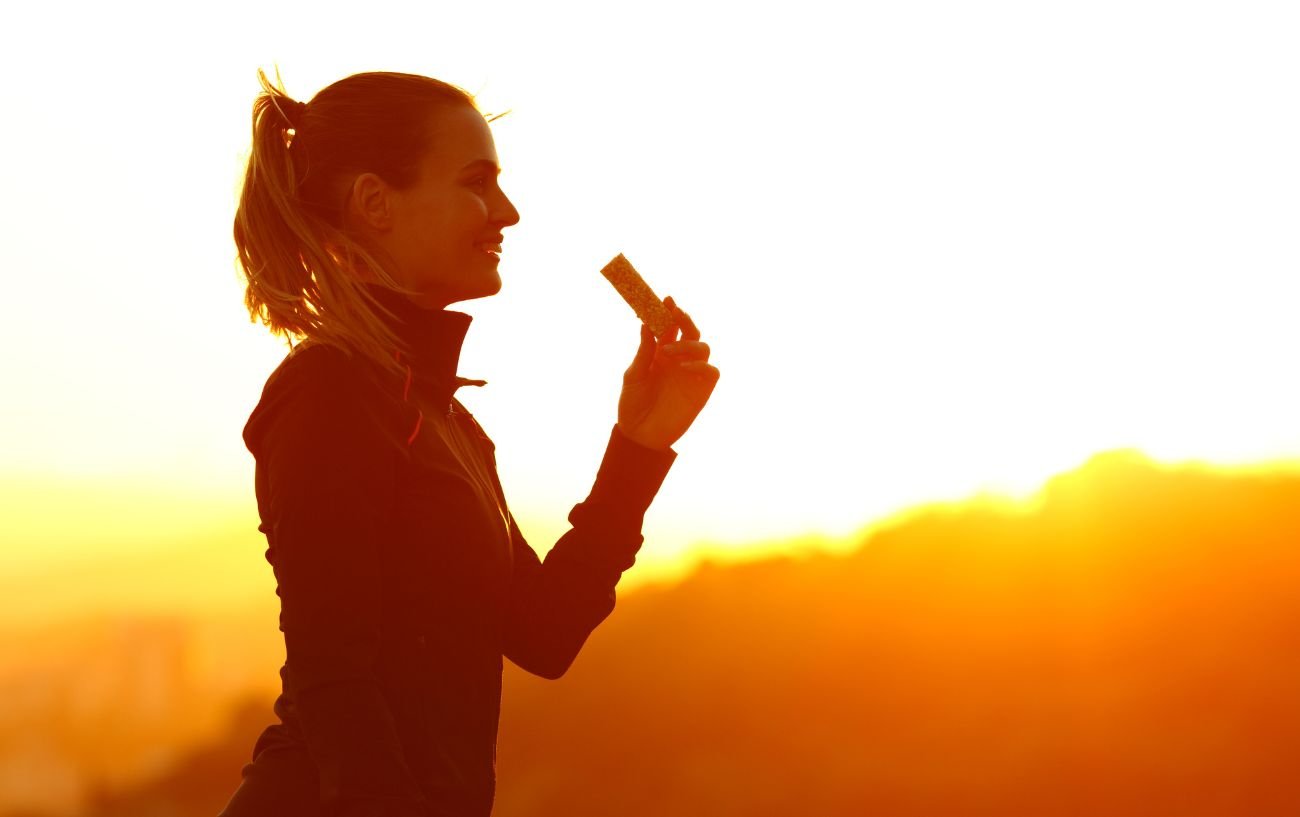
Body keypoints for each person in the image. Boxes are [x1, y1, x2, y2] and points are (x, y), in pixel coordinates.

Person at [217, 70, 719, 817]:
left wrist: (639, 444)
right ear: (374, 203)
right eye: (477, 184)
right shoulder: (328, 393)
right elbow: (335, 687)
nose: (507, 212)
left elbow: (545, 633)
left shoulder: (443, 420)